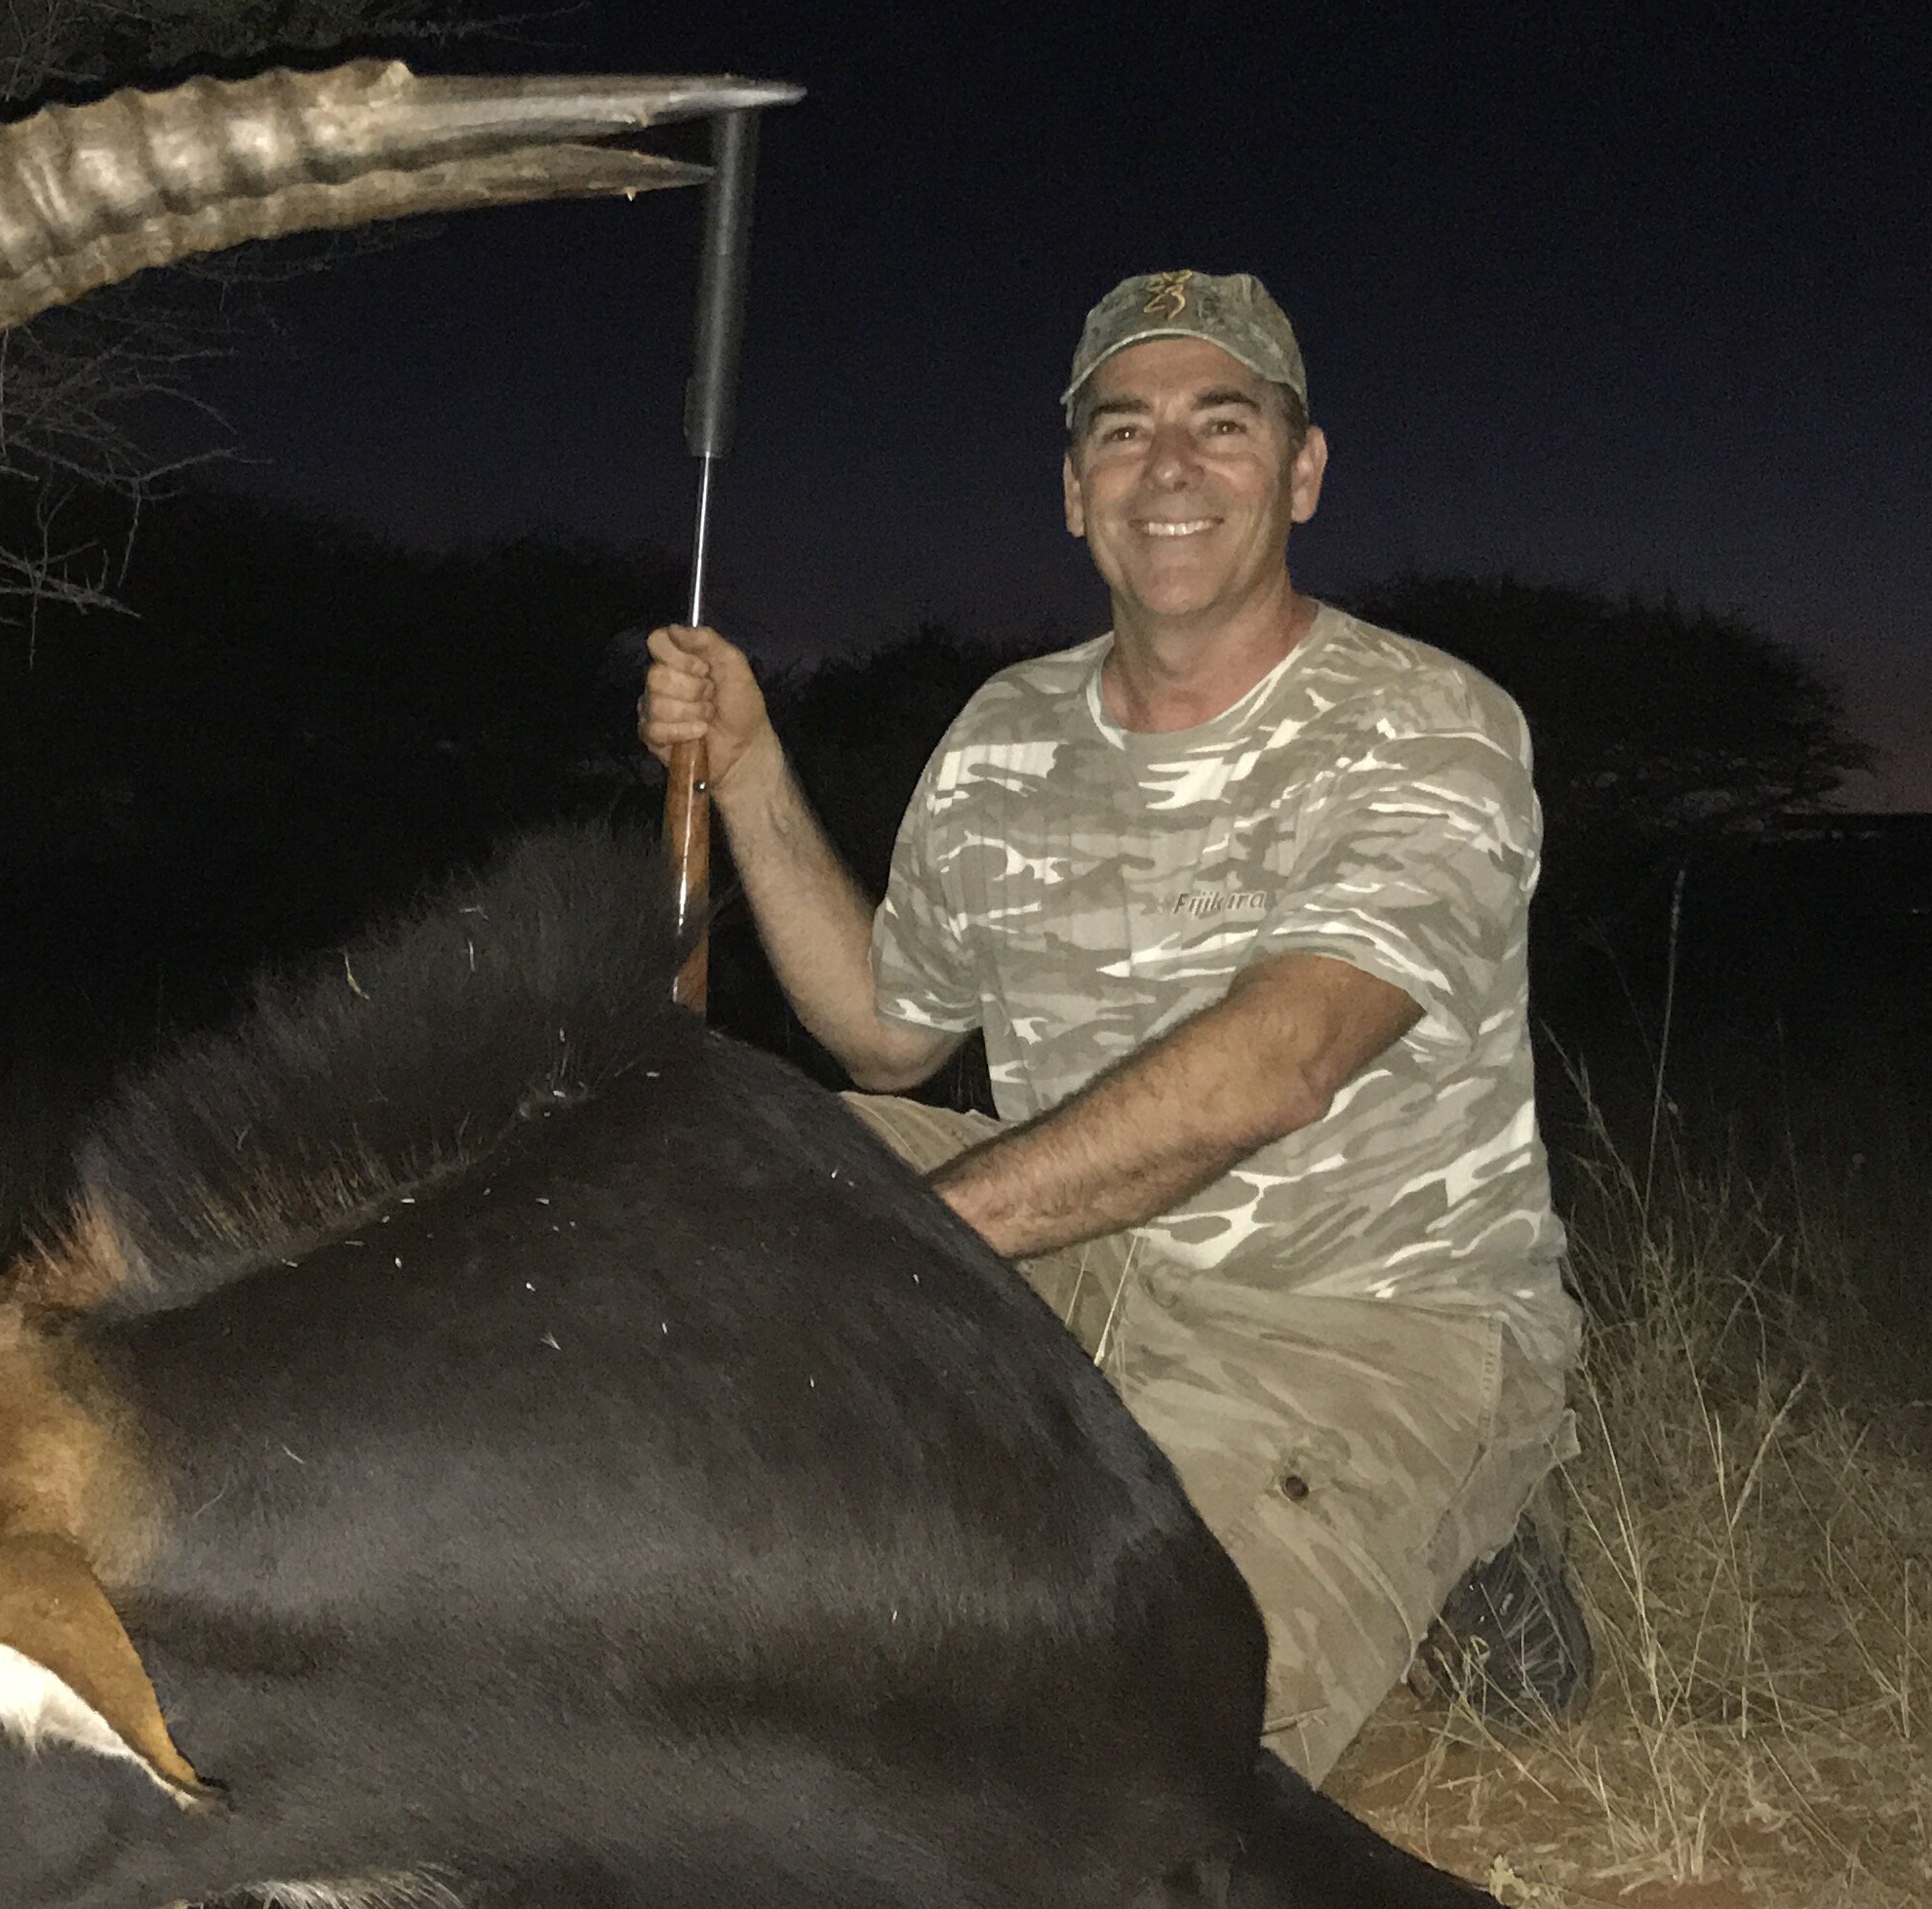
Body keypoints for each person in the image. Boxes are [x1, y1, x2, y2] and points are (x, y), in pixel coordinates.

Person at [640, 268, 1585, 1784]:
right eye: (1124, 431)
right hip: (1069, 1263)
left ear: (1302, 468)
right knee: (666, 1161)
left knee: (1119, 1749)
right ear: (1076, 490)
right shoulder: (1007, 731)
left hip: (1355, 1312)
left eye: (1224, 424)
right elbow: (885, 1039)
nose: (1170, 467)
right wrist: (748, 766)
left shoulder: (1432, 723)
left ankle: (1461, 1517)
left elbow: (1279, 1066)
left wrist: (897, 1243)